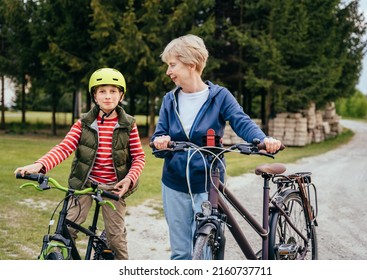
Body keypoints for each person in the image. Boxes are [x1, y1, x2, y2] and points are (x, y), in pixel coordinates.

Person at [151, 34, 282, 260]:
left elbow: (242, 122)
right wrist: (160, 140)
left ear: (191, 63)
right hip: (173, 183)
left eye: (172, 65)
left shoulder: (220, 96)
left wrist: (263, 140)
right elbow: (158, 139)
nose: (168, 71)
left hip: (208, 183)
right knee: (181, 253)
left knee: (206, 252)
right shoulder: (169, 100)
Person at [14, 67, 146, 260]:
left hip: (113, 186)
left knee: (116, 238)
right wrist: (39, 165)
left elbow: (139, 158)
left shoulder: (128, 124)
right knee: (67, 228)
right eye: (102, 91)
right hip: (85, 183)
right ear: (94, 95)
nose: (107, 96)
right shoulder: (83, 123)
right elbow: (64, 147)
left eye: (113, 91)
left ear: (121, 95)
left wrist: (129, 180)